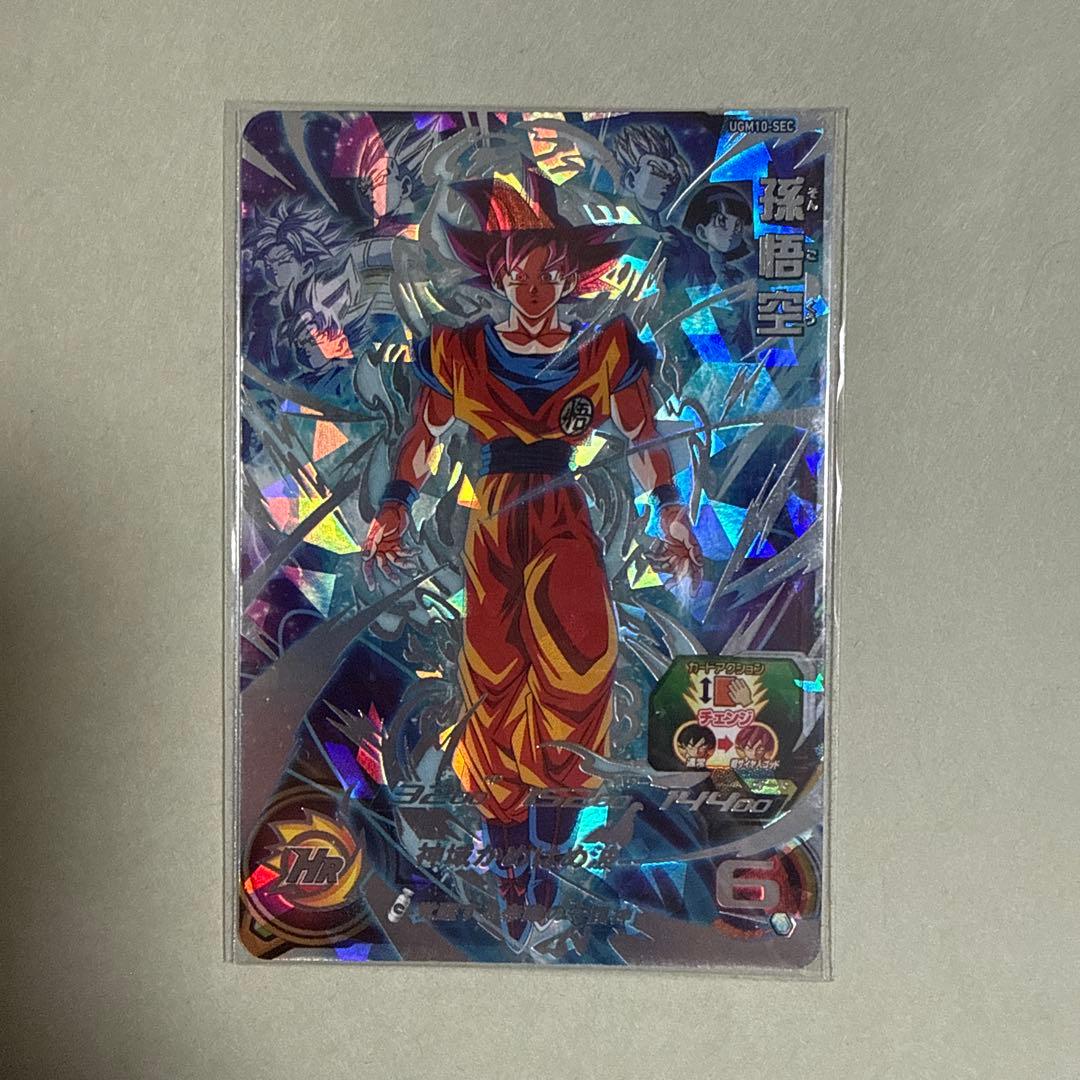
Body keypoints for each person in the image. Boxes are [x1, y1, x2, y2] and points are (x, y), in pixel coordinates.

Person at [362, 168, 703, 943]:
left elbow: (643, 434)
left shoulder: (604, 347)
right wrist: (394, 504)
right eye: (521, 268)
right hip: (493, 527)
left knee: (580, 669)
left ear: (572, 275)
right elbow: (422, 439)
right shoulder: (457, 350)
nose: (536, 284)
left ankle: (548, 863)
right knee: (494, 683)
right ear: (499, 271)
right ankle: (512, 873)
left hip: (561, 519)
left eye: (552, 270)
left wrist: (672, 508)